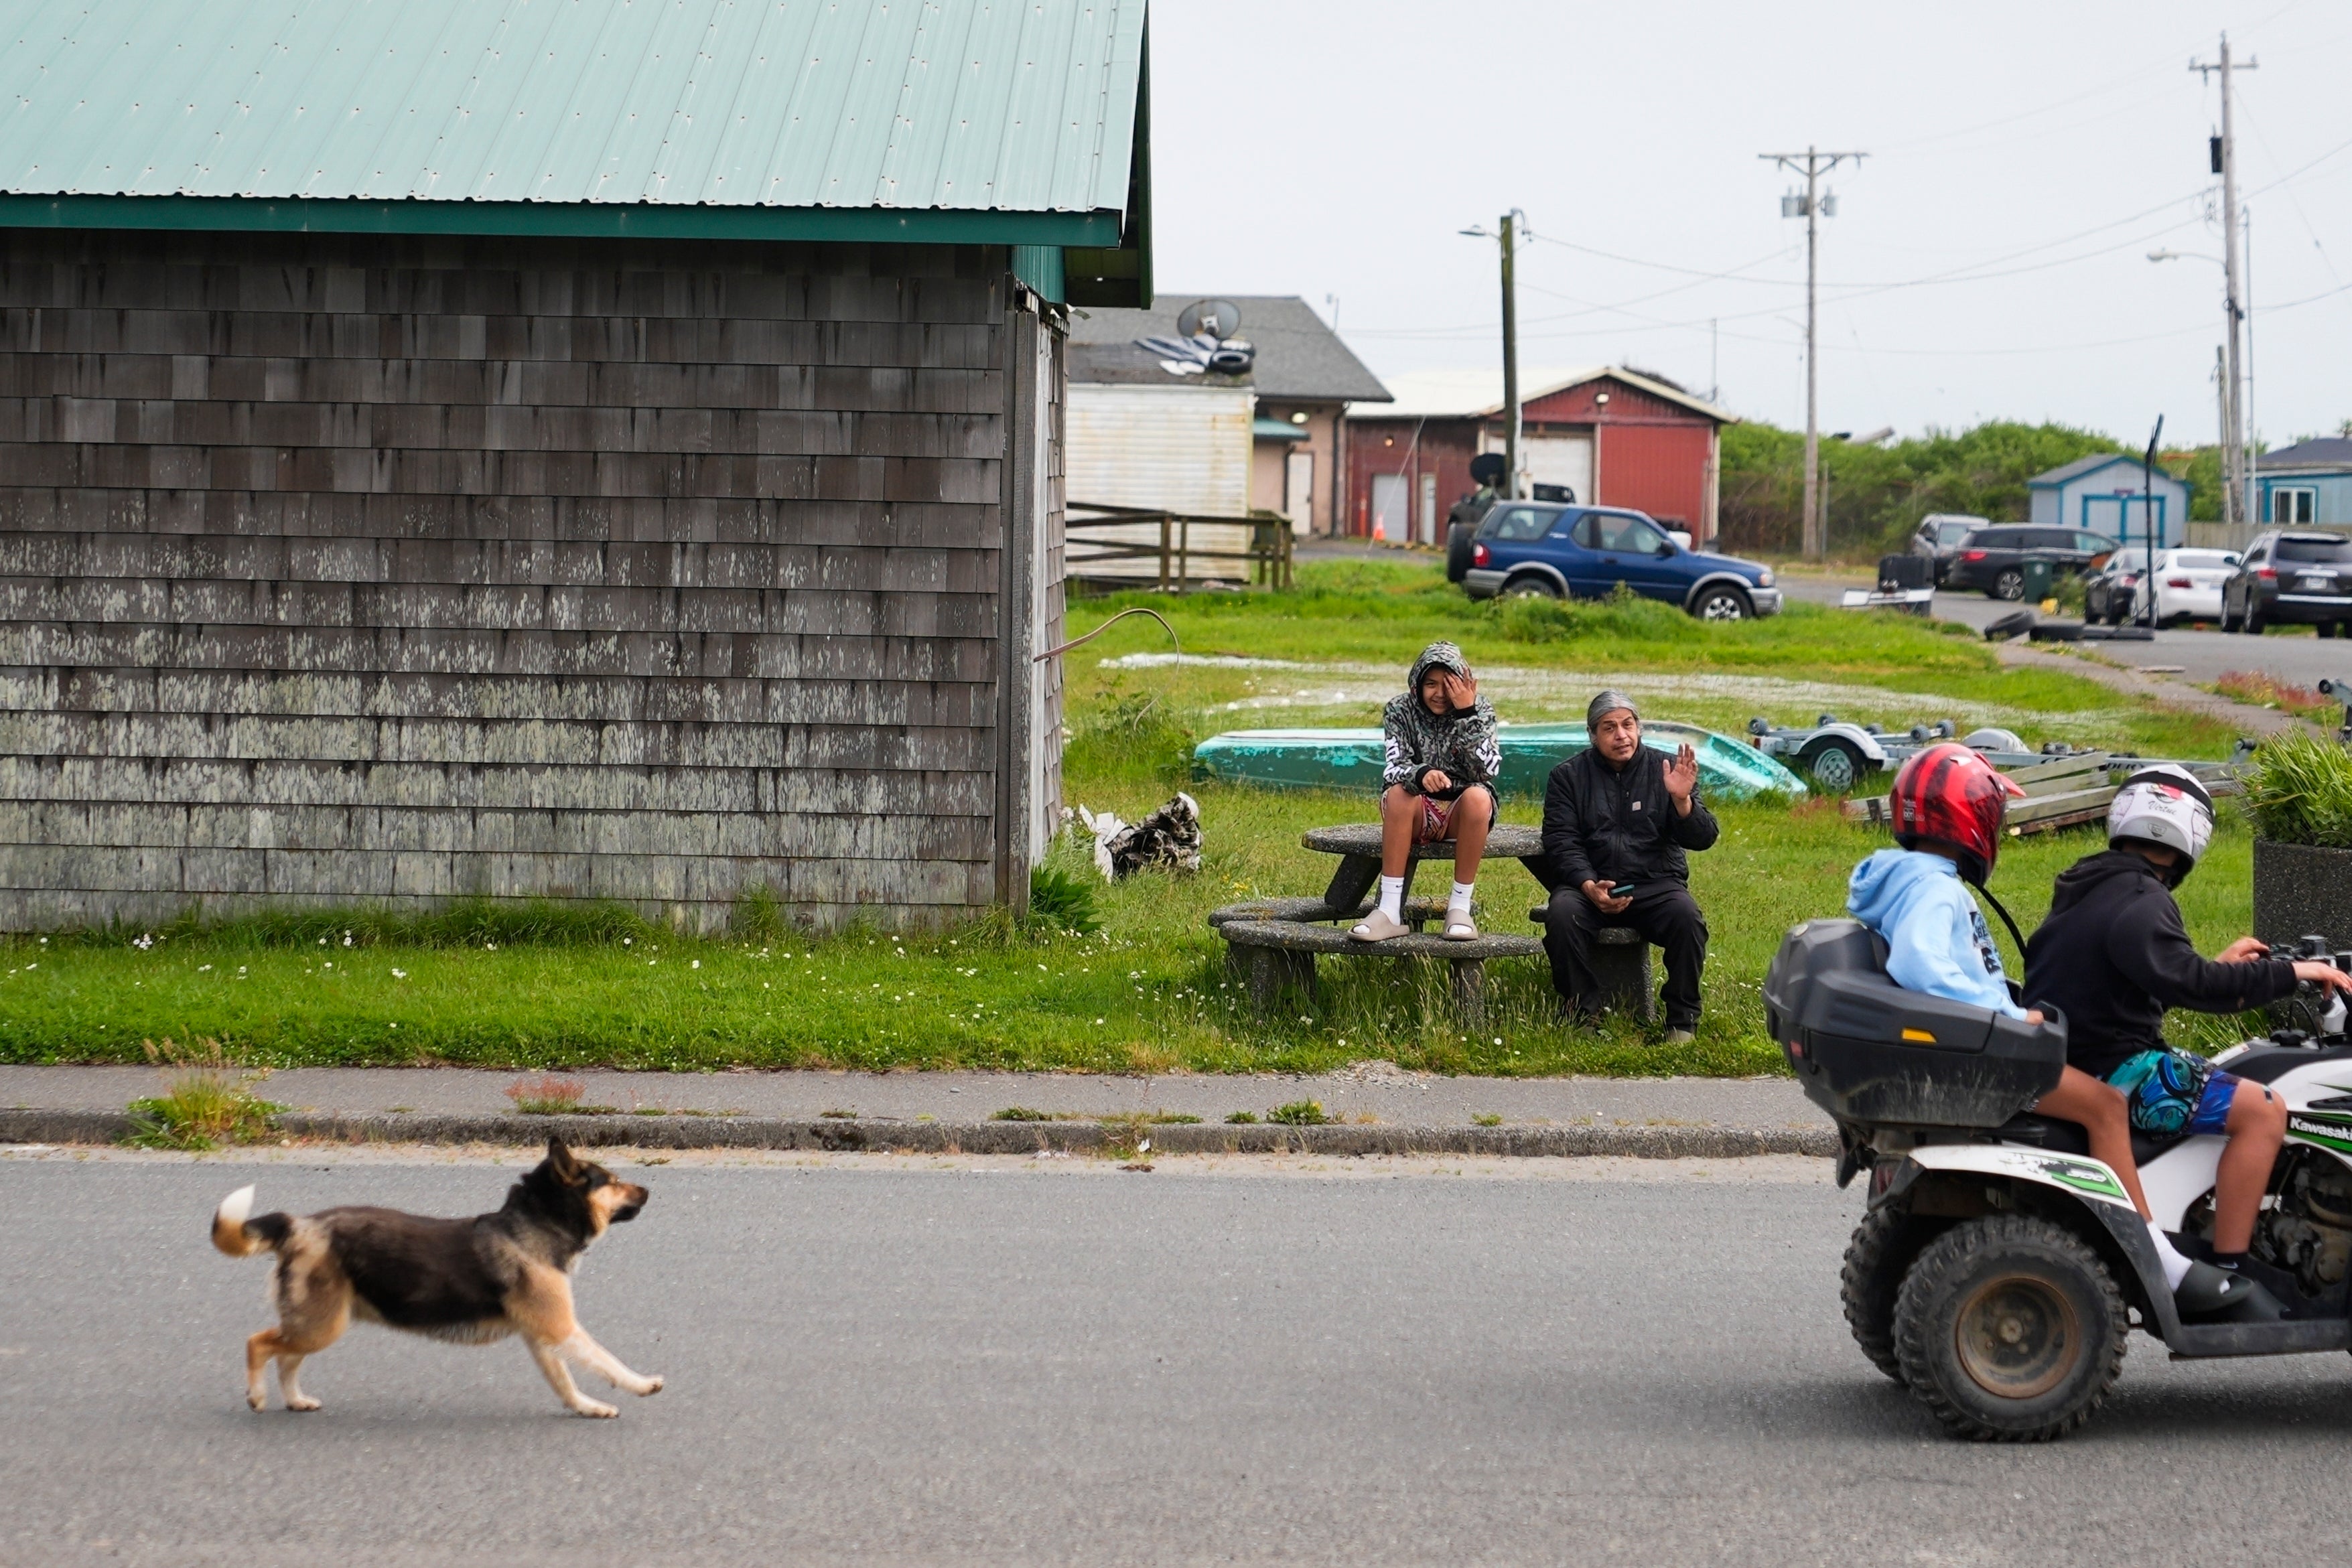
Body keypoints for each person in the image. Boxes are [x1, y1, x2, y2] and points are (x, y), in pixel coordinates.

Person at [1847, 745, 2231, 1313]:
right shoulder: (1935, 889)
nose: (1995, 828)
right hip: (1983, 1051)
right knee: (2102, 1105)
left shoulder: (1908, 877)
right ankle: (2154, 1253)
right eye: (1992, 817)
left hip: (1973, 1040)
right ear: (1969, 820)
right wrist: (2004, 1015)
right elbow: (1920, 965)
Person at [2024, 764, 2352, 1318]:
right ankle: (2229, 1275)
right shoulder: (2142, 899)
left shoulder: (2087, 884)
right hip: (2114, 1067)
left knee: (2224, 1077)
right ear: (2192, 836)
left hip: (2075, 1053)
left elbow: (2133, 984)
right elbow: (2195, 985)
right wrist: (2292, 972)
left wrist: (2218, 966)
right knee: (2265, 1109)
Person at [1539, 691, 1716, 1041]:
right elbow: (1561, 842)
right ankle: (1583, 1018)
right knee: (1561, 914)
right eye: (1609, 728)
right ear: (1593, 735)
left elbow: (1704, 837)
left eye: (1628, 725)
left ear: (1639, 728)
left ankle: (1682, 1023)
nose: (1621, 735)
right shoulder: (1568, 777)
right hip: (1589, 886)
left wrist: (1682, 802)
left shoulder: (1666, 770)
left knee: (1687, 918)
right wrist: (1589, 885)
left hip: (1654, 884)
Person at [1351, 642, 1500, 944]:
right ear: (1417, 683)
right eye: (1431, 684)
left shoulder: (1481, 709)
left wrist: (1467, 714)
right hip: (1414, 810)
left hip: (1462, 813)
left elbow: (1486, 770)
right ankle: (1390, 911)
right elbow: (1393, 766)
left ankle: (1459, 908)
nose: (1440, 694)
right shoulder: (1399, 709)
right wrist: (1420, 774)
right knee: (1398, 794)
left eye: (1449, 684)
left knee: (1479, 797)